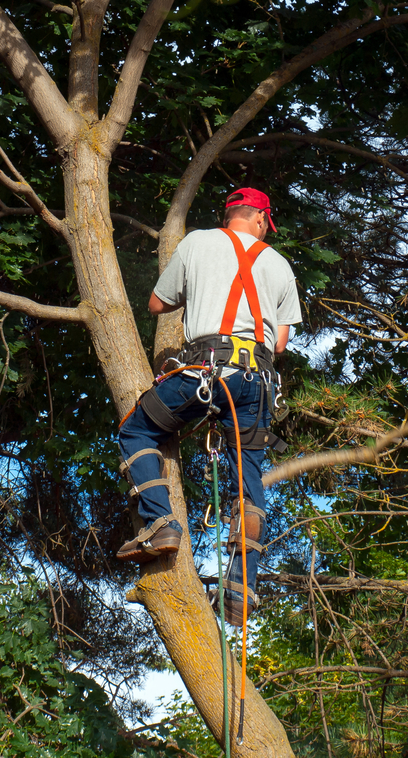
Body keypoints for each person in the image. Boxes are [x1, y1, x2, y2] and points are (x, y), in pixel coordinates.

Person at [116, 187, 301, 626]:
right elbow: (278, 343)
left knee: (138, 430)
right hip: (256, 382)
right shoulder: (279, 264)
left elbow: (157, 303)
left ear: (231, 214)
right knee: (247, 485)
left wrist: (200, 292)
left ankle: (161, 524)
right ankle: (240, 591)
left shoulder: (197, 242)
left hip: (206, 371)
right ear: (260, 219)